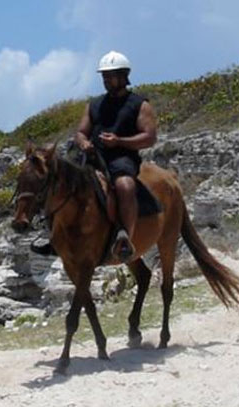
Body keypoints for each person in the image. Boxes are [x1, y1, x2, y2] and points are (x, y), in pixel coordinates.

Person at [74, 51, 158, 262]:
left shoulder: (139, 104)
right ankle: (53, 232)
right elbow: (81, 132)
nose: (106, 80)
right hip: (93, 157)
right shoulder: (94, 105)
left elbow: (149, 137)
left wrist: (119, 141)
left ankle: (124, 238)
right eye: (104, 76)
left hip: (122, 157)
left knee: (125, 186)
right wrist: (84, 143)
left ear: (123, 76)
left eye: (110, 76)